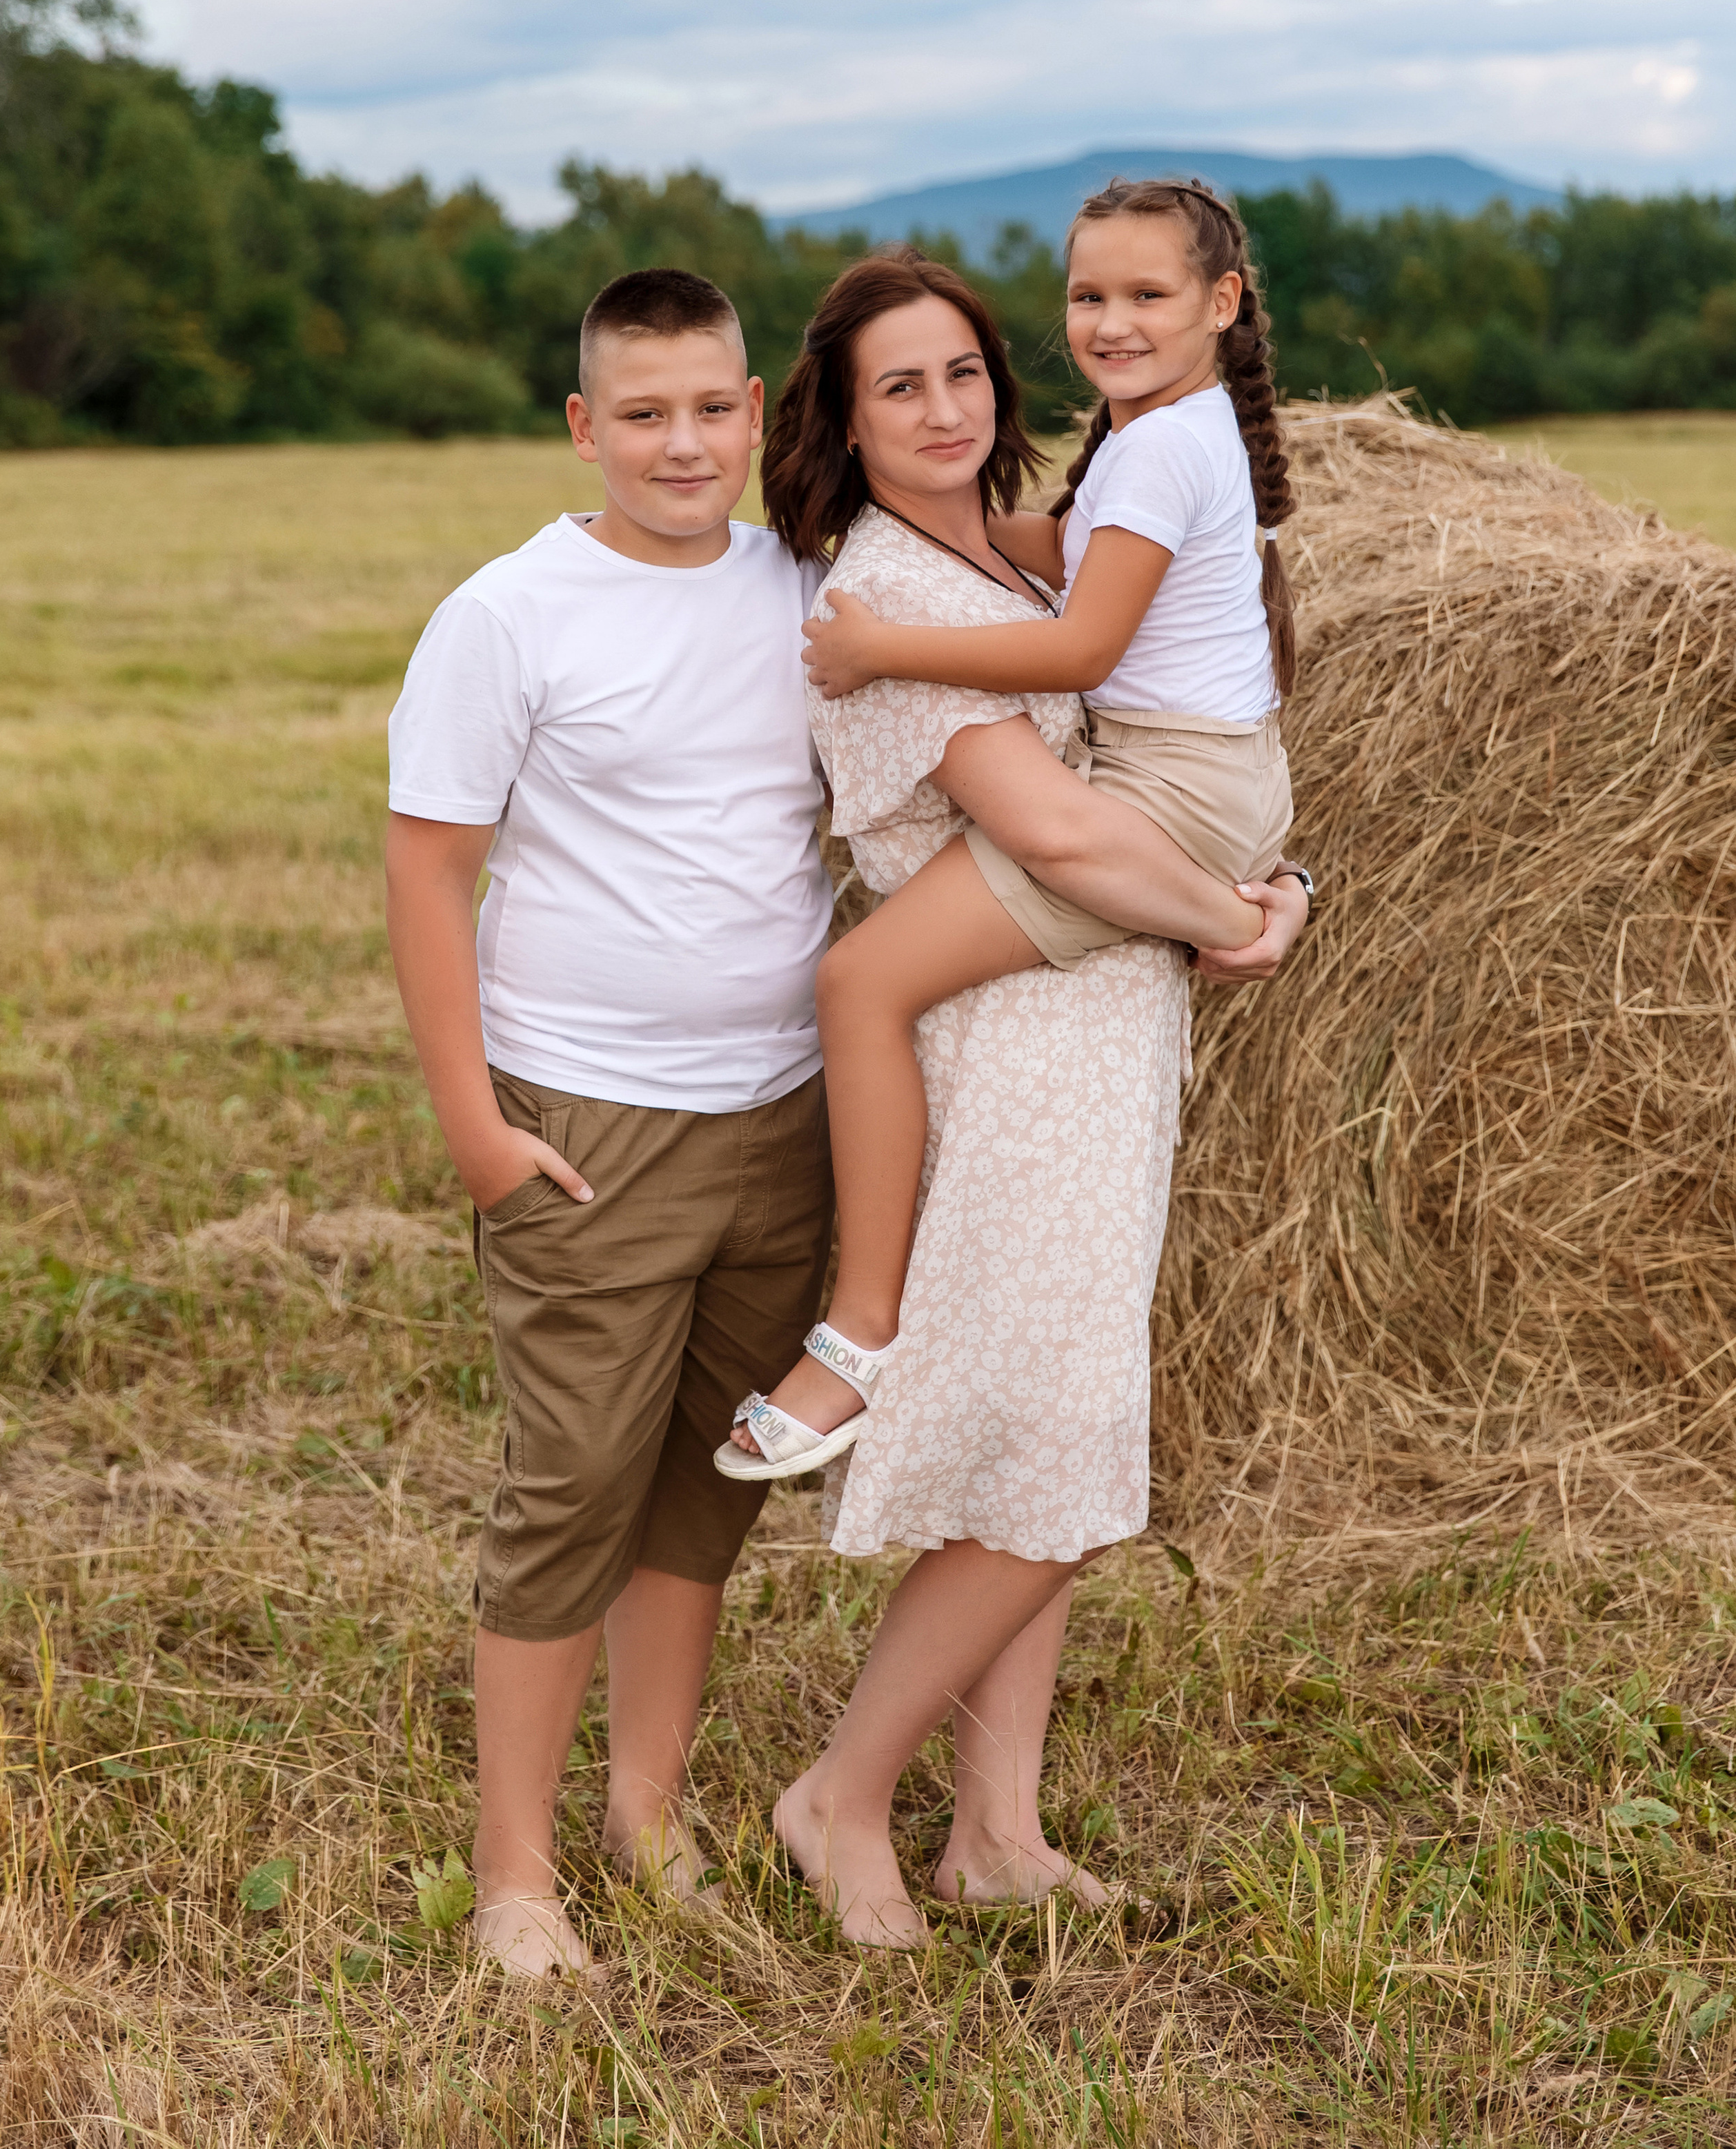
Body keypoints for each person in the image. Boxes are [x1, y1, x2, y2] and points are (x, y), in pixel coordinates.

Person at [381, 262, 1291, 1981]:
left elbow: (1069, 600)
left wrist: (1261, 846)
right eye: (642, 415)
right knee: (570, 1485)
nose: (681, 444)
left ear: (754, 415)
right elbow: (428, 870)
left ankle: (649, 1826)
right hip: (592, 1109)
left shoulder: (798, 579)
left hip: (782, 1113)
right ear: (584, 428)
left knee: (696, 1502)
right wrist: (475, 1130)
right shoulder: (515, 613)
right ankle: (518, 1875)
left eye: (710, 408)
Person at [729, 248, 1308, 1945]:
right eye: (895, 385)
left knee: (1035, 1448)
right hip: (1013, 1044)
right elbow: (1051, 833)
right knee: (1051, 1448)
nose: (941, 408)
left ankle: (994, 1828)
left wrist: (1221, 895)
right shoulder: (885, 596)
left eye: (963, 374)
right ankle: (838, 1797)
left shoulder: (1002, 552)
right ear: (840, 417)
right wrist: (1231, 918)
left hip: (1093, 1024)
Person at [718, 184, 1304, 1482]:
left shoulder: (1153, 446)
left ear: (1222, 305)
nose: (1108, 322)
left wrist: (879, 644)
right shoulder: (1163, 434)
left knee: (858, 979)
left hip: (1171, 792)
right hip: (1216, 782)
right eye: (1088, 296)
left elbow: (1085, 637)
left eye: (1147, 296)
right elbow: (1055, 550)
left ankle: (860, 1333)